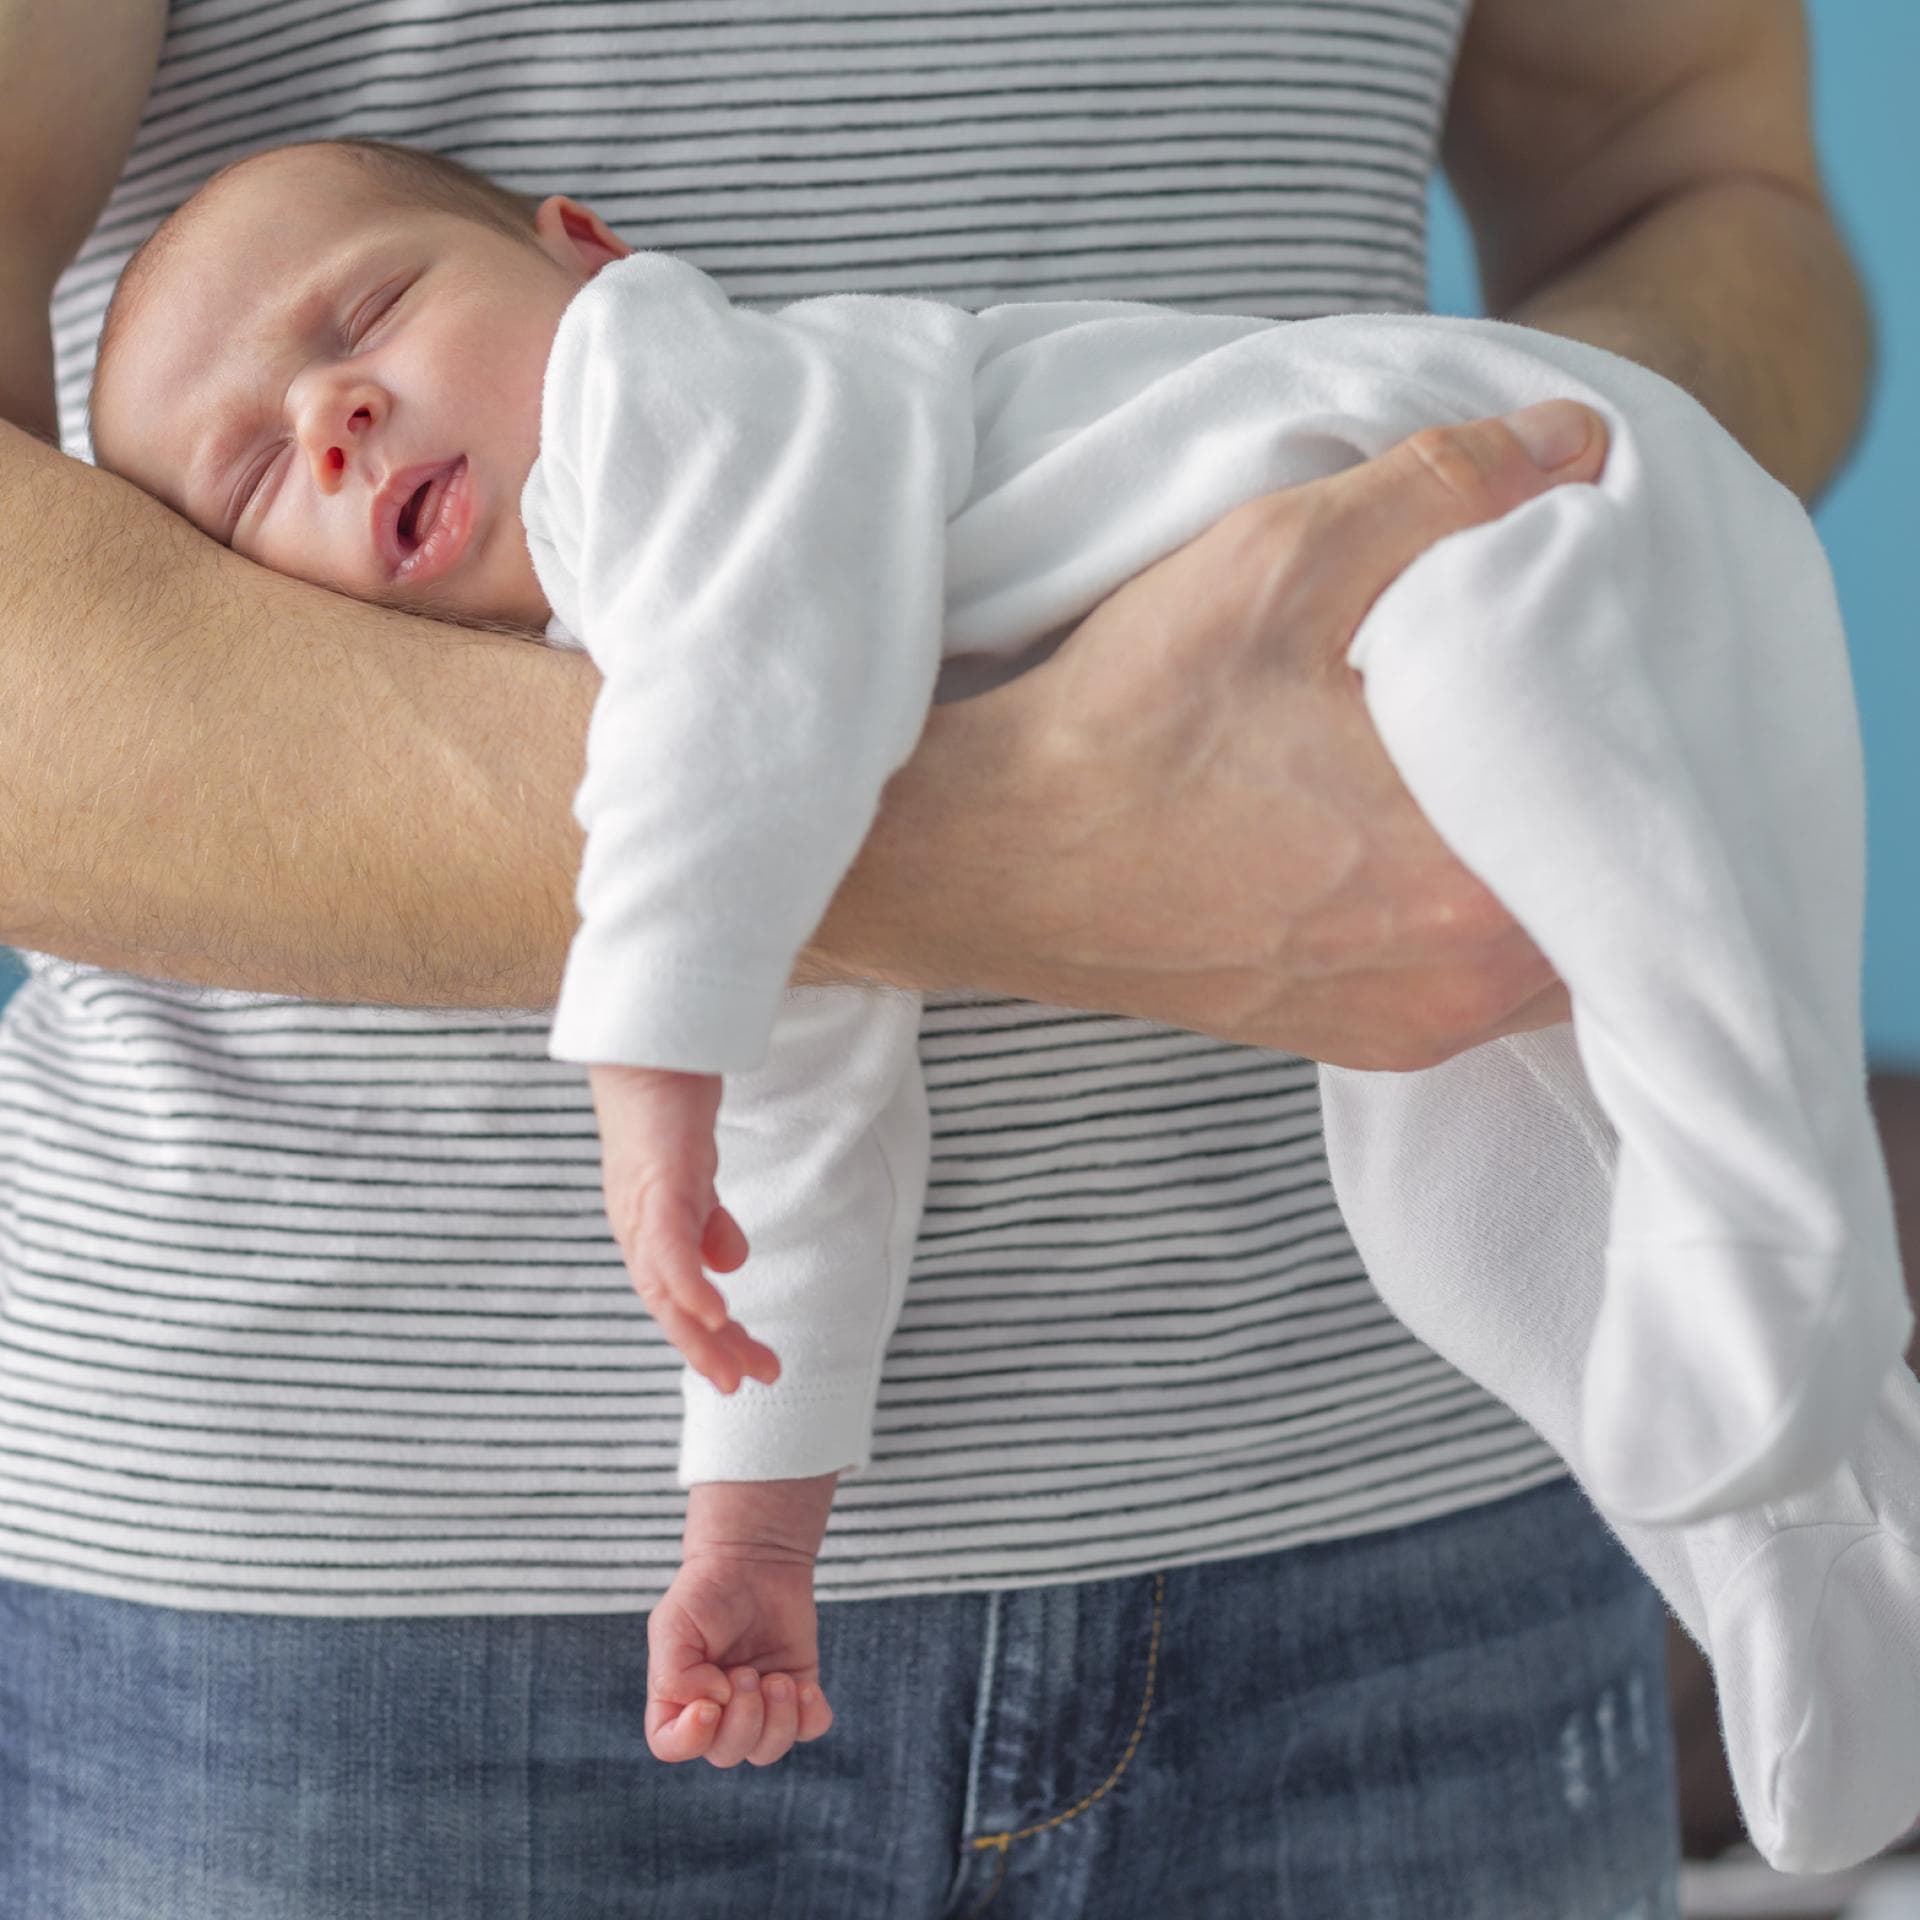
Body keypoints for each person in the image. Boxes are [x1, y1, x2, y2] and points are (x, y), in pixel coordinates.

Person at [0, 2, 1870, 1913]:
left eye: (371, 310)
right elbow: (805, 1052)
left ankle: (1777, 1291)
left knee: (1659, 1014)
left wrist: (653, 1079)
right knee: (1501, 1217)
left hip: (1392, 1415)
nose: (334, 415)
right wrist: (757, 1509)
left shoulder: (678, 388)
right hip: (362, 1591)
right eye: (248, 480)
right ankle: (1802, 1551)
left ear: (587, 247)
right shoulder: (639, 673)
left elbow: (1694, 177)